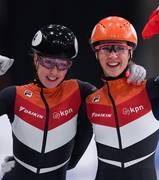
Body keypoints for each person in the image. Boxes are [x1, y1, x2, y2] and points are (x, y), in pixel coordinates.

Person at [0, 24, 146, 180]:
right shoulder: (14, 95)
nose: (54, 72)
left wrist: (128, 68)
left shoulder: (80, 92)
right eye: (48, 63)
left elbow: (112, 98)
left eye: (62, 65)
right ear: (36, 59)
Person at [85, 4, 159, 180]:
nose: (113, 56)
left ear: (130, 53)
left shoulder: (152, 90)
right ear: (96, 54)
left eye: (120, 48)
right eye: (106, 48)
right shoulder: (90, 100)